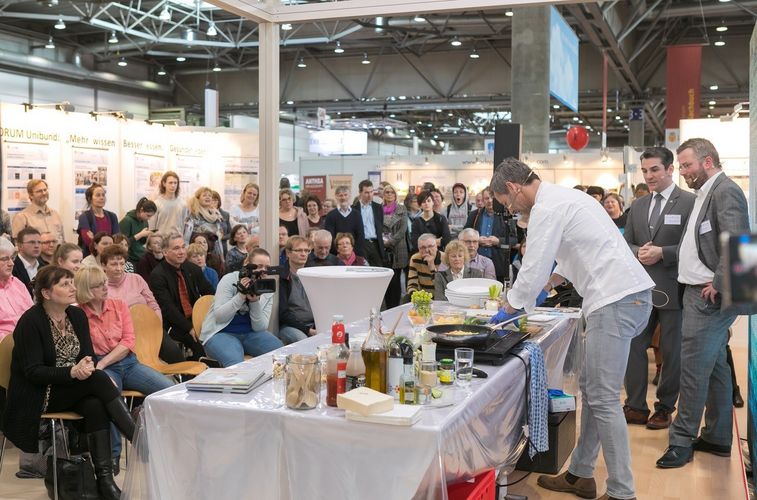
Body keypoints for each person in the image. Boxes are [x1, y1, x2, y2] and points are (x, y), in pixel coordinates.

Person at [489, 158, 654, 500]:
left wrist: (510, 307)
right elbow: (568, 255)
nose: (511, 210)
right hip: (620, 299)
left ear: (513, 188)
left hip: (616, 300)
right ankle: (580, 474)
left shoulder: (548, 208)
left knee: (604, 398)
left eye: (507, 204)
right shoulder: (565, 199)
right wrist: (550, 282)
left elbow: (534, 263)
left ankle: (623, 492)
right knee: (593, 391)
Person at [656, 138, 752, 468]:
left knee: (693, 369)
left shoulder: (724, 190)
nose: (682, 171)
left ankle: (681, 442)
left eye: (686, 165)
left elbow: (740, 238)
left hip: (707, 295)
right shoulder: (706, 192)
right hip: (696, 292)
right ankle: (717, 436)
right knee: (715, 369)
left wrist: (720, 282)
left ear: (707, 161)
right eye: (681, 166)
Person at [2, 266, 136, 500]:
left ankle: (105, 481)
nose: (73, 288)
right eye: (64, 284)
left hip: (71, 386)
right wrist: (72, 372)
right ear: (46, 293)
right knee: (98, 380)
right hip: (37, 393)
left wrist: (85, 364)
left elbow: (87, 354)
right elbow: (33, 372)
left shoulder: (76, 315)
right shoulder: (30, 322)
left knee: (95, 403)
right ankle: (137, 439)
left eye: (72, 282)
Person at [621, 147, 695, 432]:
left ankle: (664, 408)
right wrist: (640, 251)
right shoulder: (638, 206)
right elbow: (625, 243)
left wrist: (664, 252)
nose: (649, 175)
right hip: (642, 290)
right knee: (634, 345)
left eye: (654, 170)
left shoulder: (689, 202)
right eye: (645, 171)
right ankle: (636, 406)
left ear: (669, 169)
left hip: (674, 289)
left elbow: (694, 246)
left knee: (671, 350)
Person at [75, 265, 174, 473]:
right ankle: (113, 457)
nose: (105, 286)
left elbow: (128, 341)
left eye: (104, 282)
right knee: (110, 399)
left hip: (128, 362)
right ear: (86, 289)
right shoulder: (78, 314)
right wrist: (100, 365)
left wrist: (102, 364)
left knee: (170, 389)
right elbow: (85, 349)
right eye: (98, 285)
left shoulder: (119, 305)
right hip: (103, 365)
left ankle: (162, 437)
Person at [101, 244, 184, 364]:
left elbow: (153, 304)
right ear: (104, 265)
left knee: (175, 354)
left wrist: (157, 327)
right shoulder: (102, 287)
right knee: (143, 362)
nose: (119, 268)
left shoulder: (136, 279)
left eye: (122, 263)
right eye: (113, 264)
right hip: (124, 337)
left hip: (150, 328)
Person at [200, 248, 284, 367]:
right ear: (246, 264)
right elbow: (220, 317)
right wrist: (240, 296)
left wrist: (254, 302)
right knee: (236, 363)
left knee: (281, 355)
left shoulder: (267, 287)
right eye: (259, 266)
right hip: (221, 332)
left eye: (266, 267)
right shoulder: (229, 279)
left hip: (251, 334)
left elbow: (260, 327)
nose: (262, 271)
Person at [149, 231, 215, 360]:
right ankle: (194, 374)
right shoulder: (157, 275)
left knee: (217, 340)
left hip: (197, 318)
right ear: (165, 252)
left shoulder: (192, 268)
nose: (182, 251)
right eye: (176, 248)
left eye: (183, 247)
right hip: (173, 324)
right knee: (200, 346)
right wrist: (189, 328)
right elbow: (168, 309)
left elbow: (209, 292)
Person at [463, 187, 516, 283]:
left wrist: (498, 241)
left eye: (493, 197)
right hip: (476, 263)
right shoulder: (474, 215)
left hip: (499, 263)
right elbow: (464, 234)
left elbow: (514, 239)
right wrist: (476, 239)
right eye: (487, 198)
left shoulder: (506, 215)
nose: (490, 201)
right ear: (483, 200)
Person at [278, 236, 316, 344]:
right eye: (299, 250)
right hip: (289, 326)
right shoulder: (282, 277)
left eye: (306, 250)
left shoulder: (313, 275)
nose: (303, 254)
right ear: (288, 253)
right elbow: (284, 313)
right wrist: (308, 330)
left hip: (314, 324)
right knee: (303, 341)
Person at [11, 179, 65, 243]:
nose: (44, 193)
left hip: (57, 253)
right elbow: (18, 245)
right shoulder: (22, 217)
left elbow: (62, 240)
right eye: (39, 191)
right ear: (31, 195)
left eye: (45, 190)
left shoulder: (55, 214)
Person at [0, 237, 33, 340]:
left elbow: (33, 315)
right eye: (5, 259)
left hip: (29, 338)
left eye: (12, 258)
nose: (11, 263)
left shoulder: (18, 284)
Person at [382, 184, 409, 308]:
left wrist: (390, 241)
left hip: (398, 249)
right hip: (383, 249)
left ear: (395, 194)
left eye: (391, 192)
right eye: (387, 192)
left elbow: (403, 230)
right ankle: (386, 307)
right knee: (385, 280)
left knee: (396, 280)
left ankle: (395, 307)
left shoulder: (401, 209)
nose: (389, 194)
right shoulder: (378, 209)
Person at [77, 183, 120, 256]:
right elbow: (88, 242)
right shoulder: (84, 217)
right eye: (98, 195)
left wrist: (94, 238)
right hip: (91, 257)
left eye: (103, 195)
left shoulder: (112, 216)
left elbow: (117, 239)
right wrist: (108, 243)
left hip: (110, 256)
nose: (102, 198)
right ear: (90, 198)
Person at [185, 187, 226, 262]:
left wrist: (221, 257)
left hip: (213, 254)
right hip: (197, 254)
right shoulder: (193, 214)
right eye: (204, 195)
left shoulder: (216, 215)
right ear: (198, 198)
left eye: (209, 196)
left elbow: (218, 239)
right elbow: (186, 238)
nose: (208, 197)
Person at [324, 185, 366, 257]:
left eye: (345, 195)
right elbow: (330, 237)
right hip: (336, 255)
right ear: (336, 197)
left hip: (355, 254)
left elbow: (360, 236)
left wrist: (352, 252)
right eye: (340, 195)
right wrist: (339, 252)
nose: (343, 198)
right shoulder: (330, 216)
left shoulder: (357, 214)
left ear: (349, 196)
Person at [355, 180, 385, 266]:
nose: (370, 195)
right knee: (363, 271)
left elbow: (380, 226)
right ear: (360, 193)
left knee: (379, 271)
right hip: (362, 244)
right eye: (366, 192)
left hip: (376, 244)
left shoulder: (378, 207)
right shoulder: (354, 209)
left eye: (371, 192)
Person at [119, 197, 157, 264]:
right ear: (141, 210)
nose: (149, 218)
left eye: (151, 216)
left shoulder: (144, 221)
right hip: (130, 258)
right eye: (148, 215)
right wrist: (140, 235)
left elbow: (141, 242)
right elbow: (121, 244)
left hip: (140, 255)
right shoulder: (127, 221)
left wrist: (148, 236)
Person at [149, 171, 187, 235]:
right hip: (161, 241)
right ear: (164, 183)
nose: (173, 185)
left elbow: (185, 225)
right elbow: (152, 227)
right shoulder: (157, 204)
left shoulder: (183, 204)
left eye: (175, 183)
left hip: (177, 241)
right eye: (170, 183)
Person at [12, 227, 46, 297]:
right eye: (32, 242)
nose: (37, 246)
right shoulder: (12, 268)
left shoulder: (45, 267)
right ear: (20, 246)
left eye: (39, 242)